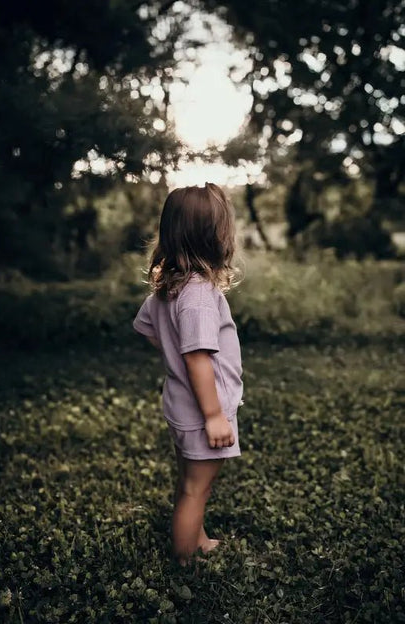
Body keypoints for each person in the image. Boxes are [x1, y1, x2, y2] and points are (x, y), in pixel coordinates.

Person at [132, 182, 245, 567]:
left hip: (182, 405)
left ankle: (197, 539)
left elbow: (148, 330)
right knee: (197, 490)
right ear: (216, 236)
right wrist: (214, 415)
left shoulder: (168, 290)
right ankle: (185, 559)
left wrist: (173, 351)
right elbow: (197, 357)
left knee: (189, 483)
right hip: (201, 412)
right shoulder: (198, 295)